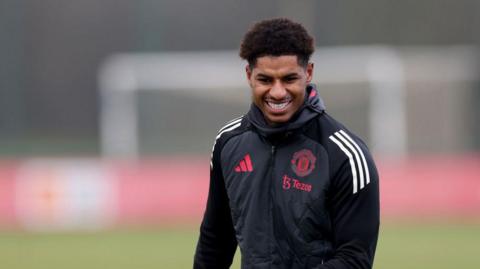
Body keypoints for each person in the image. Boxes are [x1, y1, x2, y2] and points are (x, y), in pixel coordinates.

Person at [194, 18, 379, 269]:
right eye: (266, 80)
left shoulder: (346, 155)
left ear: (308, 73)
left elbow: (355, 259)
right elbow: (215, 242)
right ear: (249, 76)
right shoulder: (228, 143)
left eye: (289, 78)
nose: (278, 92)